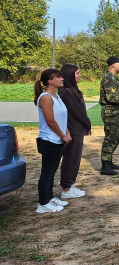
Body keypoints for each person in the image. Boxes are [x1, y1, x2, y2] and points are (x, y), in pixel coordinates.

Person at [34, 69, 71, 213]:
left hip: (58, 139)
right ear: (50, 81)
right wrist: (62, 135)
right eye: (58, 77)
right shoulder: (45, 97)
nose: (62, 79)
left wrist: (66, 133)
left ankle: (49, 198)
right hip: (49, 140)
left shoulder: (56, 96)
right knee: (47, 172)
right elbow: (50, 120)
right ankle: (43, 203)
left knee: (52, 170)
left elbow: (62, 118)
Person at [58, 64, 91, 199]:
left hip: (77, 129)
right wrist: (88, 123)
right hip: (73, 130)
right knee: (71, 159)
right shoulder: (66, 92)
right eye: (77, 73)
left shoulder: (72, 90)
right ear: (70, 75)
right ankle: (66, 188)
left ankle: (69, 185)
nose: (80, 75)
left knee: (75, 159)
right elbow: (77, 112)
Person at [99, 56, 119, 175]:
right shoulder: (109, 79)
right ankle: (105, 165)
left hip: (115, 112)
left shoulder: (113, 78)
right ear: (113, 65)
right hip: (111, 112)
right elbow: (111, 97)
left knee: (115, 137)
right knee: (110, 138)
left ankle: (109, 161)